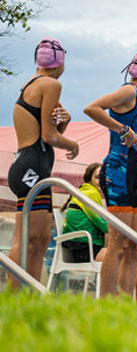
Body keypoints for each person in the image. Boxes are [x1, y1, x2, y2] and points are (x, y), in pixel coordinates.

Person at [84, 50, 137, 297]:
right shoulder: (128, 91)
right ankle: (106, 301)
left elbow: (133, 125)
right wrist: (123, 129)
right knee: (117, 245)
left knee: (133, 247)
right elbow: (92, 108)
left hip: (133, 172)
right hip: (118, 170)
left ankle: (124, 302)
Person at [8, 37, 78, 287]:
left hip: (31, 164)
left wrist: (64, 124)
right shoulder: (50, 84)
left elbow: (46, 132)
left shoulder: (32, 83)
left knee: (39, 239)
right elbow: (49, 137)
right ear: (60, 61)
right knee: (28, 239)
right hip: (32, 167)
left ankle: (29, 293)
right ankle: (17, 299)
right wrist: (73, 144)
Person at [62, 163, 137, 298]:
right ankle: (115, 300)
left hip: (83, 248)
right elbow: (103, 224)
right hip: (85, 250)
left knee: (136, 262)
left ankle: (116, 298)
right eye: (97, 178)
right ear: (89, 179)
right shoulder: (91, 193)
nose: (101, 181)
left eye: (102, 178)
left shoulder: (85, 191)